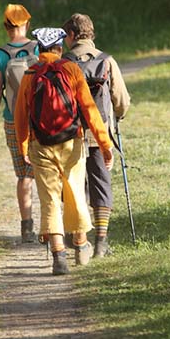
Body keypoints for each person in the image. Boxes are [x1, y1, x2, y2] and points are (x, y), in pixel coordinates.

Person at [14, 27, 113, 275]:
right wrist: (105, 145)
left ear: (39, 49)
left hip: (41, 145)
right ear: (59, 48)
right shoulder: (71, 70)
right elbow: (89, 110)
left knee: (49, 200)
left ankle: (59, 257)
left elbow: (20, 116)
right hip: (72, 143)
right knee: (75, 193)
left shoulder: (30, 75)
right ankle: (80, 244)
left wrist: (24, 146)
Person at [62, 13, 130, 257]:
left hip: (71, 133)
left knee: (74, 184)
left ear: (71, 35)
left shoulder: (64, 62)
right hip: (99, 133)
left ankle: (77, 236)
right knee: (101, 182)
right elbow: (121, 100)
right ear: (91, 34)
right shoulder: (107, 61)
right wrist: (117, 118)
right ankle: (101, 241)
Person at [0, 4, 39, 243]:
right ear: (27, 23)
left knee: (24, 175)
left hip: (13, 121)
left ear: (6, 26)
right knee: (46, 171)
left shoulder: (0, 54)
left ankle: (27, 228)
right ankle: (54, 224)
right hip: (40, 120)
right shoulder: (39, 47)